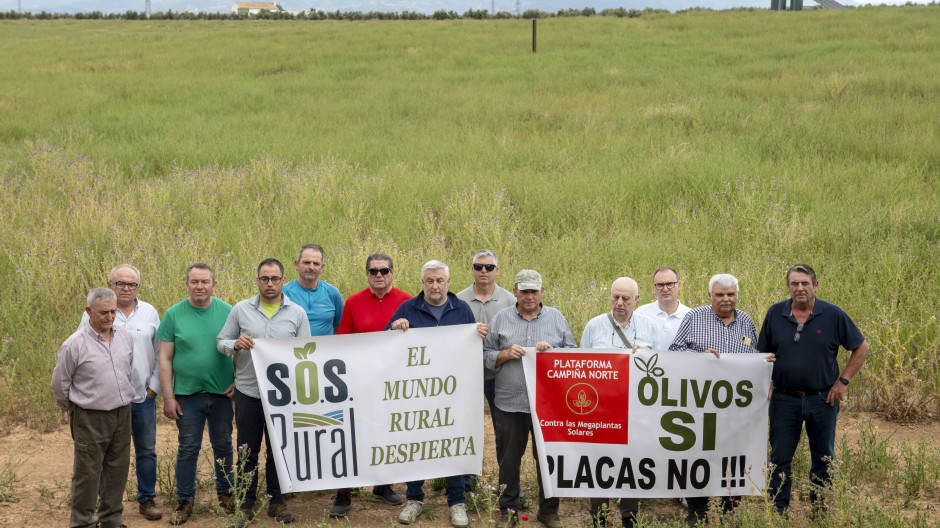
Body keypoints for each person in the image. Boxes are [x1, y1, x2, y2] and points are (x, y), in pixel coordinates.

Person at [757, 264, 869, 517]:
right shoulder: (775, 313)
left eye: (805, 283)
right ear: (788, 287)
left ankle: (819, 510)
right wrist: (767, 381)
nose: (800, 288)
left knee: (823, 458)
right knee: (779, 458)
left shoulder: (833, 314)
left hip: (823, 399)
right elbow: (763, 353)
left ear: (815, 286)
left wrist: (843, 381)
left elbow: (861, 347)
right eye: (794, 283)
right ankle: (778, 511)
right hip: (785, 399)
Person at [387, 260, 487, 528]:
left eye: (439, 280)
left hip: (453, 393)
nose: (434, 285)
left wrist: (478, 334)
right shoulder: (408, 307)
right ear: (422, 283)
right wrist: (395, 328)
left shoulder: (461, 309)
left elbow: (472, 348)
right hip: (416, 394)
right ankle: (414, 498)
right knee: (415, 444)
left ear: (448, 283)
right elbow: (384, 342)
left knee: (451, 444)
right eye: (429, 280)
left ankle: (456, 502)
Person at [217, 258, 311, 526]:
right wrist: (234, 344)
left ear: (283, 280)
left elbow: (306, 352)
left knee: (279, 449)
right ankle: (245, 504)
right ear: (256, 280)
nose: (270, 284)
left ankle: (277, 500)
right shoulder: (240, 310)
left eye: (275, 279)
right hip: (249, 391)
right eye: (264, 279)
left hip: (283, 396)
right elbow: (220, 342)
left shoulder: (297, 313)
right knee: (247, 449)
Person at [483, 270, 577, 528]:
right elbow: (485, 355)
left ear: (542, 292)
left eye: (534, 291)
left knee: (548, 459)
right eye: (524, 291)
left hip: (548, 406)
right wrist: (503, 354)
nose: (529, 296)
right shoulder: (501, 319)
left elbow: (573, 356)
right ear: (514, 292)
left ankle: (548, 511)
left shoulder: (556, 318)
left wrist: (553, 353)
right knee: (509, 461)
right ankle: (508, 511)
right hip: (509, 403)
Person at [669, 273, 760, 527]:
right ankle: (697, 510)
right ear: (710, 296)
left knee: (733, 455)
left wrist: (765, 363)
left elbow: (754, 356)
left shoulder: (745, 321)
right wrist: (699, 355)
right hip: (700, 404)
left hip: (735, 408)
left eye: (730, 294)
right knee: (698, 455)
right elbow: (675, 351)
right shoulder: (694, 317)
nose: (725, 300)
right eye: (719, 295)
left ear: (737, 296)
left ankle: (730, 509)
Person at [78, 264, 163, 521]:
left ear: (138, 286)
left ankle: (147, 499)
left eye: (132, 284)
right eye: (121, 283)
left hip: (141, 396)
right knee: (109, 453)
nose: (126, 288)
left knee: (146, 450)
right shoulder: (97, 312)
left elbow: (160, 352)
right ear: (110, 283)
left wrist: (153, 388)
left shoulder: (149, 313)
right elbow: (82, 351)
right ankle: (108, 504)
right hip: (109, 401)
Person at [330, 253, 410, 517]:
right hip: (359, 381)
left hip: (394, 382)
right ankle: (344, 492)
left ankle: (383, 485)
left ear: (392, 273)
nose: (379, 275)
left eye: (384, 270)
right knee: (352, 435)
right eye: (373, 271)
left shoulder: (407, 301)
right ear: (366, 274)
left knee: (387, 432)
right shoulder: (353, 301)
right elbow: (343, 341)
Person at [157, 263, 235, 525]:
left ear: (214, 284)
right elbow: (165, 358)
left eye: (204, 281)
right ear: (187, 284)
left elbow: (240, 350)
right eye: (194, 281)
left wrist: (238, 382)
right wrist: (168, 397)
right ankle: (185, 501)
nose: (199, 286)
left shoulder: (229, 312)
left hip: (223, 394)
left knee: (223, 444)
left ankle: (226, 494)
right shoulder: (174, 314)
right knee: (188, 448)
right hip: (187, 395)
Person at [52, 287, 135, 528]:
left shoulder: (125, 336)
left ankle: (111, 520)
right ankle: (82, 523)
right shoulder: (74, 344)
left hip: (122, 413)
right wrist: (75, 409)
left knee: (118, 469)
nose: (109, 317)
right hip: (89, 417)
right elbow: (60, 384)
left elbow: (127, 368)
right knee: (87, 474)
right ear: (88, 311)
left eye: (113, 312)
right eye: (103, 313)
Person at [580, 277, 657, 527]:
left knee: (631, 461)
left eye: (626, 298)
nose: (620, 303)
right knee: (598, 462)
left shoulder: (650, 327)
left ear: (637, 299)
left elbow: (663, 367)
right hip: (600, 409)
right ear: (610, 297)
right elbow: (581, 368)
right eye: (615, 297)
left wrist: (643, 355)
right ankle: (599, 517)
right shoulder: (594, 326)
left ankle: (629, 515)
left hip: (636, 409)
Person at [455, 249, 515, 487]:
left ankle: (507, 485)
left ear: (497, 271)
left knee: (502, 431)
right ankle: (468, 484)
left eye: (488, 267)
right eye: (478, 266)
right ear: (471, 269)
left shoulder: (510, 300)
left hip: (498, 375)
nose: (483, 271)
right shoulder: (458, 300)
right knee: (465, 429)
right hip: (465, 377)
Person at [283, 243, 343, 336]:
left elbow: (339, 328)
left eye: (316, 263)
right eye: (306, 262)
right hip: (293, 349)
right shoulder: (283, 293)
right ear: (297, 264)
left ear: (322, 267)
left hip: (325, 349)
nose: (311, 267)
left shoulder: (332, 293)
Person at [634, 266, 692, 351]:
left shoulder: (690, 316)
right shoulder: (641, 313)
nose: (665, 289)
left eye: (669, 284)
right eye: (660, 285)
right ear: (654, 287)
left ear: (678, 285)